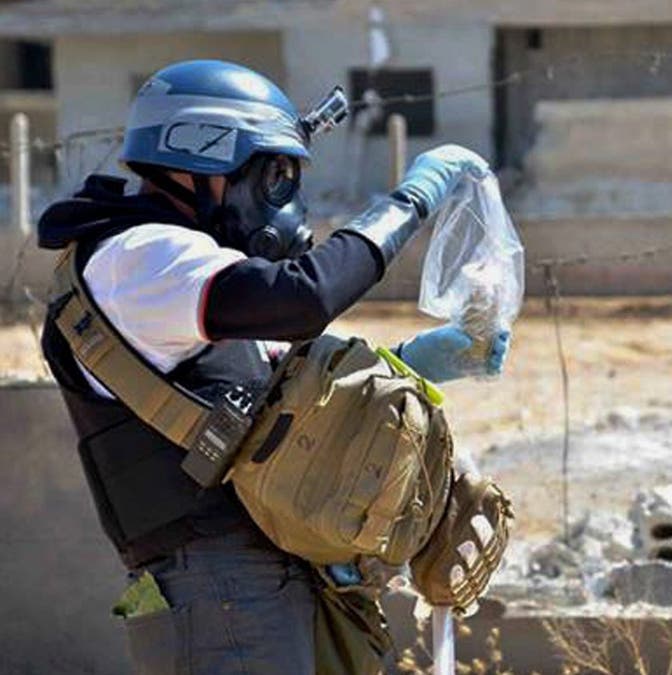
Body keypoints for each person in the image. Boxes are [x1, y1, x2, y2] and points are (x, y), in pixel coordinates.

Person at [38, 60, 510, 674]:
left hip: (261, 583)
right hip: (217, 588)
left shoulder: (188, 272)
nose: (280, 202)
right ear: (202, 156)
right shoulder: (136, 256)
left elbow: (281, 405)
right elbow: (301, 299)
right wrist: (412, 199)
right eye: (273, 176)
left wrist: (412, 362)